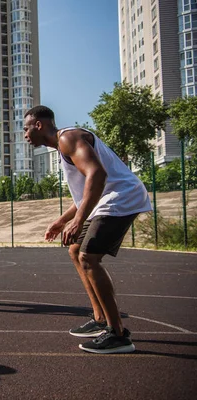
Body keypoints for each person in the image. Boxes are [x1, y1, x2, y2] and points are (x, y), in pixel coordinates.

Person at [23, 105, 152, 354]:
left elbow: (97, 175)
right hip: (107, 198)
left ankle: (118, 334)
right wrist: (62, 221)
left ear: (39, 125)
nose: (25, 134)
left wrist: (79, 220)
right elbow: (87, 190)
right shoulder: (63, 146)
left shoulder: (68, 138)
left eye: (26, 128)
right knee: (74, 250)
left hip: (122, 197)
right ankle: (100, 319)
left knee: (88, 257)